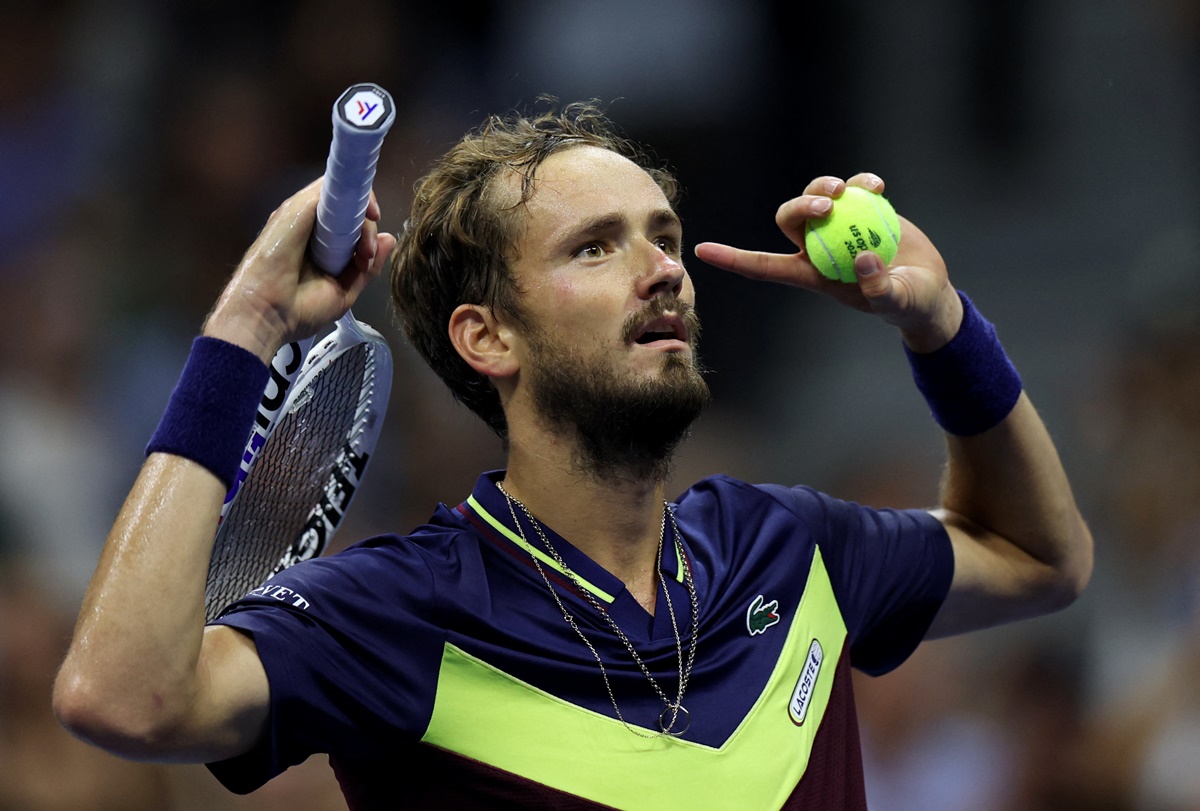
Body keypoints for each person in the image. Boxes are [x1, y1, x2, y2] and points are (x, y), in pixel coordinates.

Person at [54, 103, 1093, 810]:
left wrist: (943, 328)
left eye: (664, 237)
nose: (662, 273)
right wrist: (245, 326)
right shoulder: (396, 612)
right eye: (596, 246)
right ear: (485, 337)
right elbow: (123, 695)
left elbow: (1040, 556)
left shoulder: (789, 547)